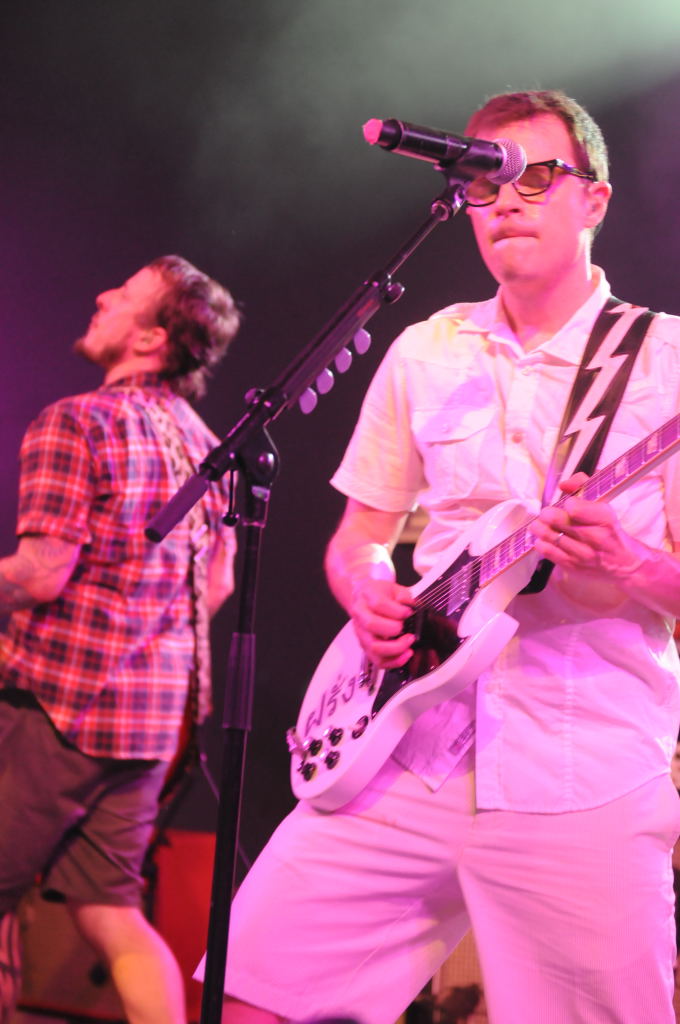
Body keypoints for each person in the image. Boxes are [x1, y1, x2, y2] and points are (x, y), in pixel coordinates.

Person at [205, 91, 680, 1023]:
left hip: (577, 775)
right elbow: (359, 540)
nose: (504, 202)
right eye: (484, 182)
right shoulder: (427, 349)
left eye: (536, 177)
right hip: (406, 750)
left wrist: (629, 562)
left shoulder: (666, 360)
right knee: (249, 991)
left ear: (594, 199)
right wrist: (369, 595)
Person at [0, 255, 241, 1024]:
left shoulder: (78, 420)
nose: (102, 295)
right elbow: (217, 588)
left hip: (55, 713)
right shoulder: (211, 450)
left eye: (126, 295)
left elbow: (42, 572)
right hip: (152, 728)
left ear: (150, 338)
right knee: (111, 913)